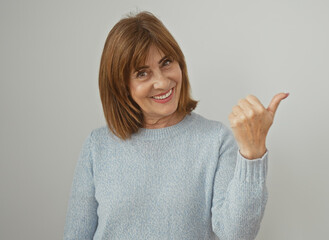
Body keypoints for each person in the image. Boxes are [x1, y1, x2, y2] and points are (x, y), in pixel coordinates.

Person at [64, 11, 289, 240]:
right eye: (142, 73)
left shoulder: (215, 140)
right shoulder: (97, 146)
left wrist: (252, 154)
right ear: (121, 86)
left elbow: (237, 234)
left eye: (166, 62)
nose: (162, 82)